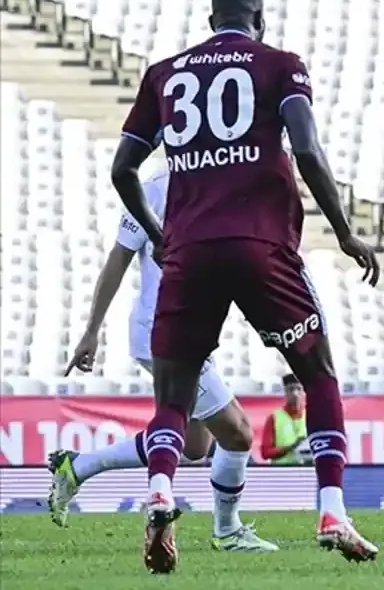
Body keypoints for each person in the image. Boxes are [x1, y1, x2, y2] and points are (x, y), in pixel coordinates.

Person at [111, 0, 382, 572]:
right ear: (259, 21)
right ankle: (332, 511)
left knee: (174, 396)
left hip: (190, 251)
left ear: (212, 21)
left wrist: (159, 234)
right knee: (318, 374)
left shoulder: (164, 75)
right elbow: (306, 149)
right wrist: (343, 231)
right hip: (262, 245)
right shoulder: (280, 65)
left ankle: (160, 490)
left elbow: (122, 169)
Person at [48, 164, 277, 552]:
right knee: (237, 432)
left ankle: (78, 466)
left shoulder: (223, 179)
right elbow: (119, 257)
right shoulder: (156, 187)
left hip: (192, 330)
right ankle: (227, 531)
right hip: (164, 329)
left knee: (194, 445)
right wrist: (91, 331)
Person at [260, 375, 312, 464]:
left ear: (304, 392)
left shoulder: (312, 416)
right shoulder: (274, 418)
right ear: (285, 392)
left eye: (299, 389)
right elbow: (265, 452)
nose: (295, 394)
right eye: (291, 389)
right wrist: (291, 447)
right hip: (283, 470)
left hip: (307, 469)